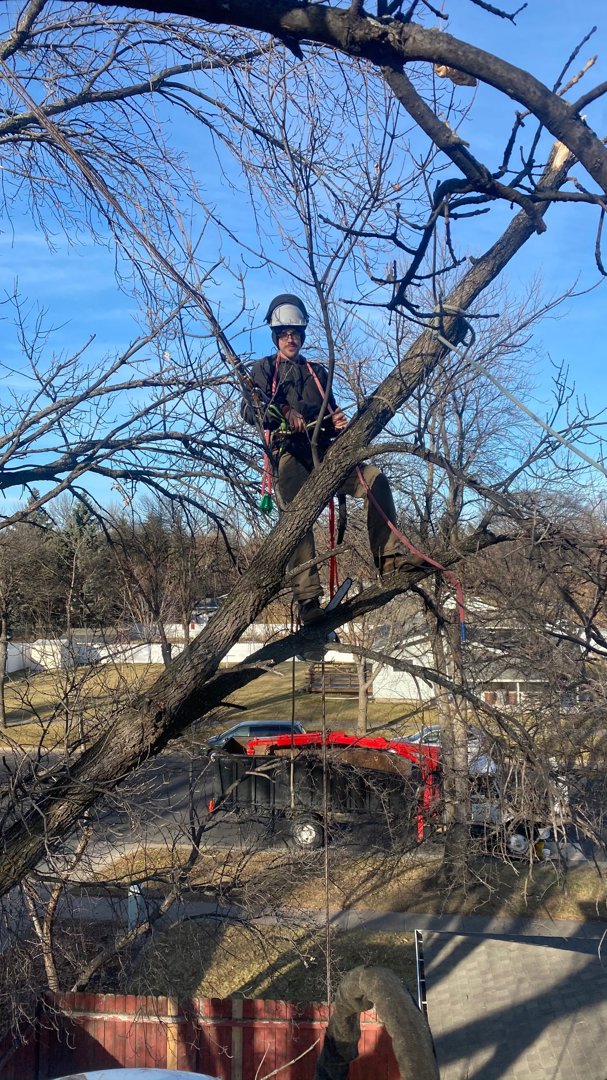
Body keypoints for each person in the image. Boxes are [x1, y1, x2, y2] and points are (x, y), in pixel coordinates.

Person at [241, 293, 410, 624]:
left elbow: (330, 411)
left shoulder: (316, 372)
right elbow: (250, 411)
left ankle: (389, 559)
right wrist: (284, 412)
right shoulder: (263, 370)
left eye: (296, 333)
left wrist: (336, 422)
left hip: (324, 450)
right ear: (275, 336)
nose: (291, 339)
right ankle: (308, 600)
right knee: (297, 510)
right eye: (284, 333)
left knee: (374, 479)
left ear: (303, 335)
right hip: (289, 452)